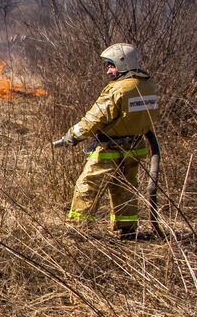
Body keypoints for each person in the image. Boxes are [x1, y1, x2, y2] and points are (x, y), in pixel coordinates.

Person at [51, 43, 159, 238]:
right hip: (135, 148)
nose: (108, 71)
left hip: (110, 147)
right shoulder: (148, 85)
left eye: (111, 65)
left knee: (88, 185)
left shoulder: (118, 89)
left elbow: (94, 119)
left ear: (122, 63)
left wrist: (72, 136)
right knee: (125, 188)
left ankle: (77, 228)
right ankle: (126, 230)